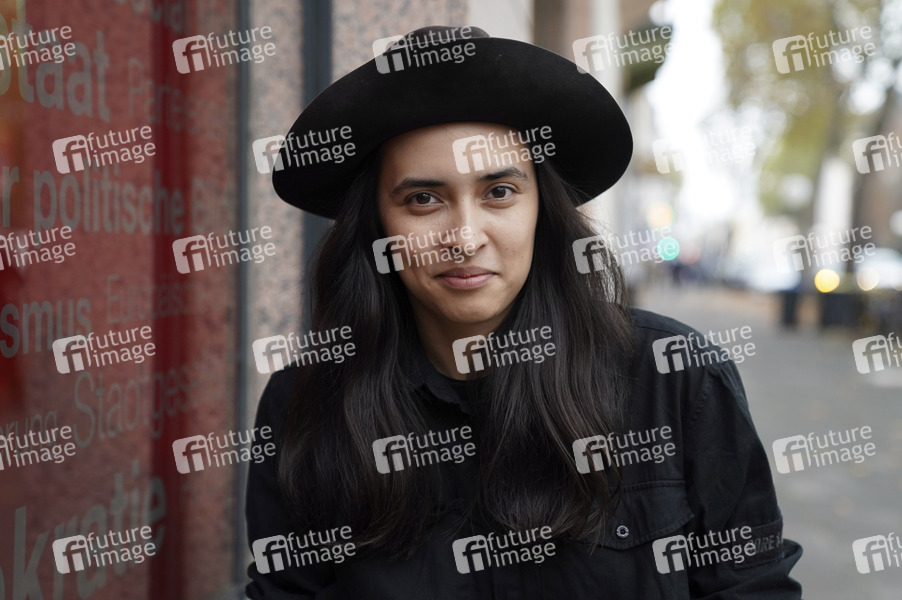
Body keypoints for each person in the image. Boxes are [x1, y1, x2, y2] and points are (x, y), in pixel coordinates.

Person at [245, 25, 803, 599]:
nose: (465, 238)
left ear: (543, 208)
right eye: (423, 199)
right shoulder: (305, 406)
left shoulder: (674, 379)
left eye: (499, 192)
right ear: (377, 226)